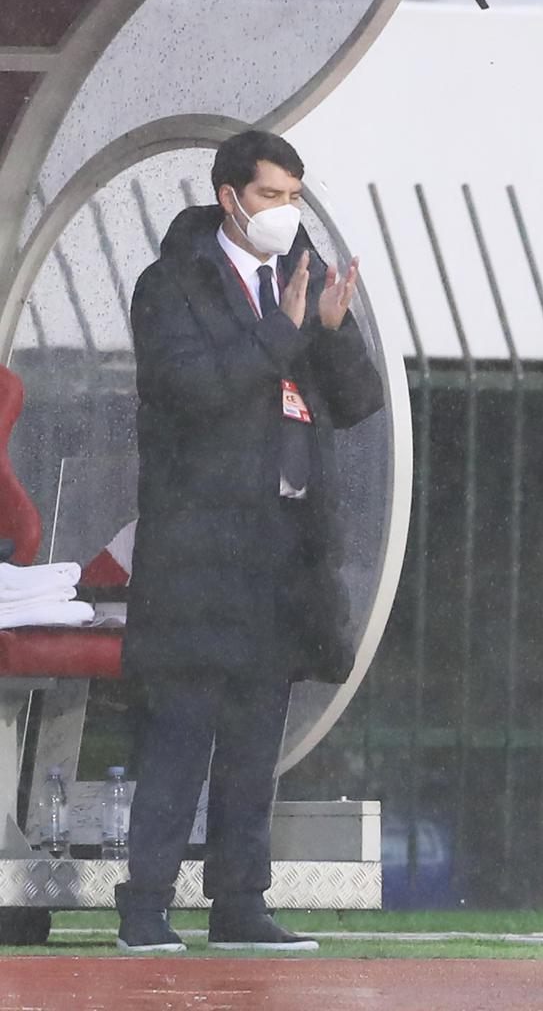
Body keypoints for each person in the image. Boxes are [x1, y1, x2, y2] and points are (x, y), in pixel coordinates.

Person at [116, 130, 384, 953]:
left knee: (253, 739)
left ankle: (240, 900)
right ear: (228, 196)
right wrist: (283, 333)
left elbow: (358, 399)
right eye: (271, 196)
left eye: (295, 196)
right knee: (180, 732)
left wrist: (329, 330)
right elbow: (191, 390)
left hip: (281, 547)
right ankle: (145, 907)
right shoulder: (173, 284)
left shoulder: (296, 281)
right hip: (200, 551)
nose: (284, 212)